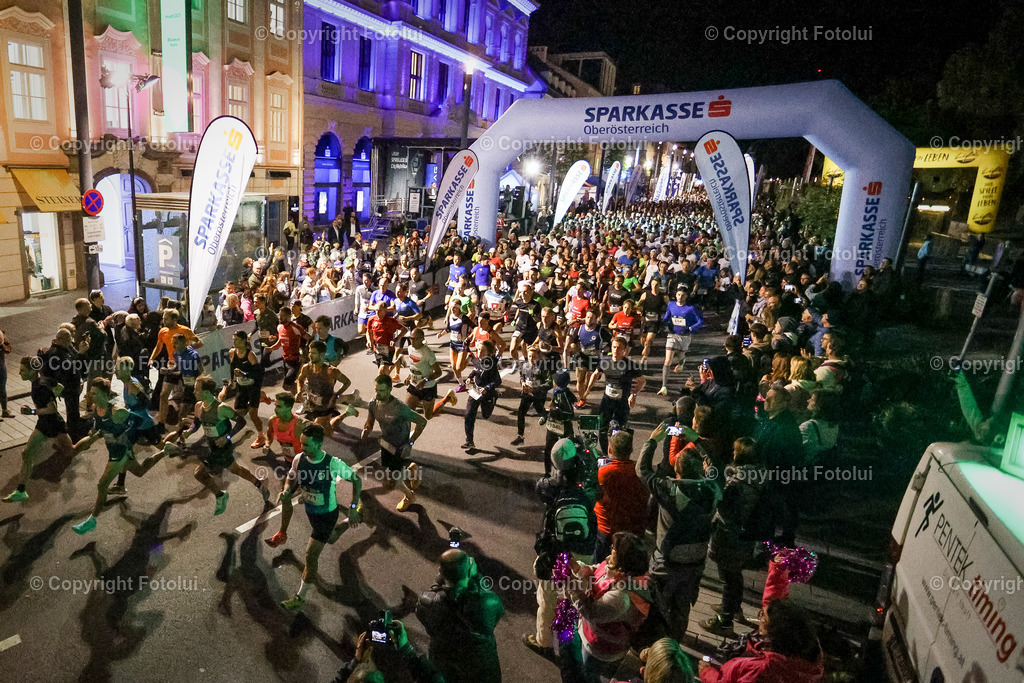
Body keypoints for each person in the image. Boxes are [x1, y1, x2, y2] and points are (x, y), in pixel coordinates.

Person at [638, 423, 721, 643]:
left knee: (656, 604)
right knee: (682, 607)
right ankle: (675, 641)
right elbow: (715, 465)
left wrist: (652, 441)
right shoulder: (712, 489)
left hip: (667, 561)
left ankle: (655, 646)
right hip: (695, 561)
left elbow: (643, 470)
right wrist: (698, 440)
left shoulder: (669, 489)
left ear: (678, 470)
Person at [266, 424, 362, 611]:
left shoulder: (332, 463)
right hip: (311, 511)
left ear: (319, 444)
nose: (302, 448)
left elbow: (356, 480)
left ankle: (299, 598)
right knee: (331, 538)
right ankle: (353, 520)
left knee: (311, 555)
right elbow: (291, 476)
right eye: (301, 443)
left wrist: (351, 507)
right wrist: (286, 490)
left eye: (307, 445)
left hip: (327, 514)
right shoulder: (299, 458)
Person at [70, 378, 173, 534]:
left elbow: (136, 422)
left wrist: (130, 436)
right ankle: (165, 452)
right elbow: (99, 430)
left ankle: (92, 520)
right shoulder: (96, 408)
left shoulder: (116, 411)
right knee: (139, 472)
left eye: (94, 393)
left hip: (120, 451)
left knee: (102, 484)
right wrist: (91, 438)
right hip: (113, 449)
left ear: (105, 394)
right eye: (90, 392)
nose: (91, 396)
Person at [562, 531, 652, 683]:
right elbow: (597, 571)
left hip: (601, 647)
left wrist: (573, 587)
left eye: (613, 550)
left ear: (624, 559)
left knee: (589, 673)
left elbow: (592, 613)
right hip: (592, 634)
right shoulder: (617, 569)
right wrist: (578, 569)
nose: (609, 553)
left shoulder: (621, 596)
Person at [701, 437, 764, 636]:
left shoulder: (737, 482)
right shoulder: (759, 474)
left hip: (729, 535)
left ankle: (725, 622)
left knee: (727, 577)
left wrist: (710, 477)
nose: (733, 452)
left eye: (735, 450)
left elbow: (723, 505)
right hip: (747, 534)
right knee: (735, 574)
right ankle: (734, 608)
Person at [181, 377, 268, 515]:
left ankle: (221, 495)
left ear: (207, 392)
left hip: (222, 447)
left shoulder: (222, 409)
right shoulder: (199, 406)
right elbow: (197, 423)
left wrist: (226, 437)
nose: (194, 392)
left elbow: (241, 422)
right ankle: (260, 485)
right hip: (212, 446)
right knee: (235, 469)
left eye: (197, 389)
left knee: (199, 473)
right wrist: (190, 430)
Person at [416, 548, 505, 683]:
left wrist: (437, 583)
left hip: (444, 664)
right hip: (481, 668)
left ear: (440, 572)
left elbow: (430, 600)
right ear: (469, 571)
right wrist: (476, 576)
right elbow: (496, 610)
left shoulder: (426, 605)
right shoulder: (488, 603)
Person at [3, 357, 76, 502]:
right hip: (45, 423)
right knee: (27, 454)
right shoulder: (43, 380)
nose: (19, 373)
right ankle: (21, 490)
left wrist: (30, 412)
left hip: (53, 423)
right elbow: (60, 387)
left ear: (32, 370)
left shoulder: (39, 387)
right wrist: (51, 396)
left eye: (23, 370)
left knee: (71, 451)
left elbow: (51, 409)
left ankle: (93, 437)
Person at [697, 599, 824, 683]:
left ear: (775, 631)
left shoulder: (762, 669)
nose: (759, 619)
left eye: (763, 617)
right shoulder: (808, 651)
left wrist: (707, 673)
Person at [361, 374, 427, 511]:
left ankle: (410, 496)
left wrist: (410, 443)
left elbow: (422, 422)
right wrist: (366, 429)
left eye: (382, 391)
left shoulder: (400, 408)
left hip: (400, 446)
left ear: (390, 389)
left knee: (391, 482)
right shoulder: (373, 403)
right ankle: (411, 471)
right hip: (386, 444)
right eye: (376, 390)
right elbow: (370, 421)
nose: (378, 394)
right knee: (390, 478)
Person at [593, 431, 649, 563]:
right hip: (634, 532)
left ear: (610, 449)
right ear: (630, 450)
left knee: (601, 570)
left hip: (607, 532)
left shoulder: (603, 472)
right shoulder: (640, 472)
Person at [595, 337, 646, 453]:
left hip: (622, 403)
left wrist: (634, 394)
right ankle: (605, 454)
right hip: (607, 401)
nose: (615, 350)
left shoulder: (630, 365)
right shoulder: (605, 361)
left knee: (620, 431)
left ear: (624, 350)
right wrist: (588, 389)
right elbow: (596, 373)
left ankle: (620, 456)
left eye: (619, 348)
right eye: (614, 347)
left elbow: (642, 381)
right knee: (602, 429)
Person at [658, 288, 704, 396]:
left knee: (680, 356)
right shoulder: (671, 305)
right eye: (678, 294)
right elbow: (667, 316)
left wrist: (690, 328)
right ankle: (664, 386)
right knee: (667, 360)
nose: (680, 297)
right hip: (672, 335)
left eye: (682, 295)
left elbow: (700, 321)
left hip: (684, 336)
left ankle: (681, 363)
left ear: (686, 296)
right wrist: (664, 322)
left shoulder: (691, 308)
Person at [405, 328, 457, 420]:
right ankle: (405, 433)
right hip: (414, 385)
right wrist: (409, 376)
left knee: (428, 416)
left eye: (415, 339)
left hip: (428, 387)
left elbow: (438, 372)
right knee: (407, 412)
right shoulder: (410, 349)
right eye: (410, 338)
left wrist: (424, 381)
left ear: (421, 339)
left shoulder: (428, 353)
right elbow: (413, 365)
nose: (412, 341)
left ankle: (447, 398)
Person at [462, 339, 502, 451]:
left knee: (486, 415)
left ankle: (494, 397)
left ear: (489, 353)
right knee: (469, 414)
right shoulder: (478, 361)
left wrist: (488, 388)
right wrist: (469, 378)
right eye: (478, 350)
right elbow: (475, 370)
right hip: (476, 392)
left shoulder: (491, 365)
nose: (479, 353)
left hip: (487, 394)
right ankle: (469, 441)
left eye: (482, 351)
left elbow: (498, 381)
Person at [513, 344, 551, 447]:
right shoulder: (525, 365)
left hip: (539, 395)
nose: (531, 359)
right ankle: (520, 436)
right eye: (530, 356)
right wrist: (523, 383)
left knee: (538, 409)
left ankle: (545, 414)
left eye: (534, 357)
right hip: (527, 393)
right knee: (521, 413)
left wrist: (536, 389)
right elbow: (522, 376)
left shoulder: (543, 367)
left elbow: (549, 383)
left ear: (539, 357)